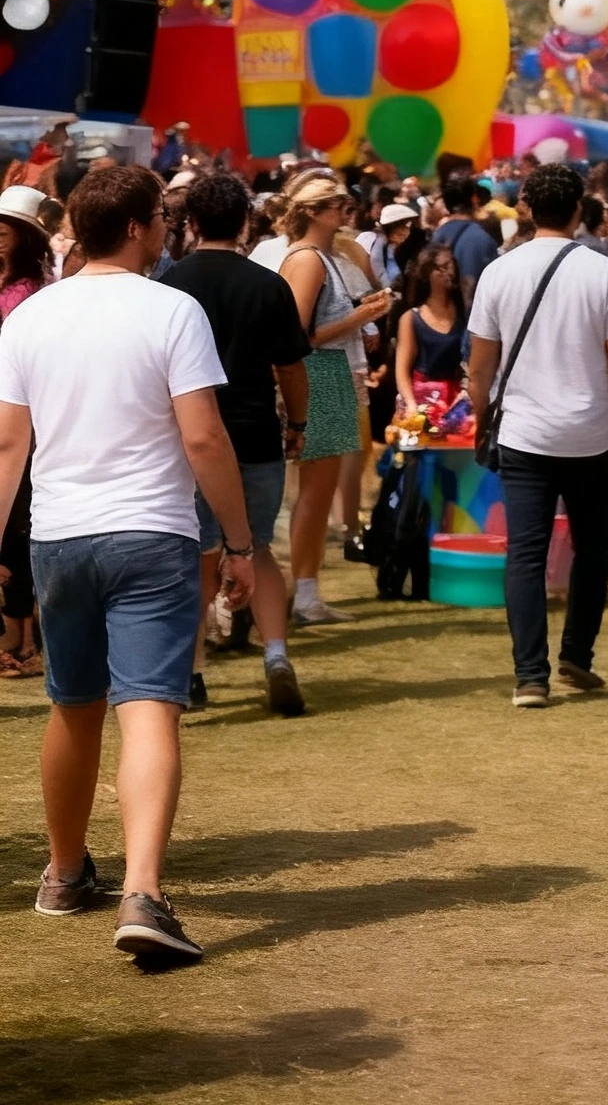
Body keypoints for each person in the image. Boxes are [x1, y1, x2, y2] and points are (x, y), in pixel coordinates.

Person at [0, 164, 255, 966]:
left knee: (73, 706)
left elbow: (10, 443)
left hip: (60, 535)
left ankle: (66, 870)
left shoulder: (31, 317)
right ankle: (143, 892)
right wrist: (242, 543)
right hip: (152, 532)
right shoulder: (172, 309)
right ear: (143, 225)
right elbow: (204, 437)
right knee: (148, 709)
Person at [466, 163, 608, 709]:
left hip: (523, 432)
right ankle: (577, 654)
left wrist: (481, 417)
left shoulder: (500, 272)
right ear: (579, 208)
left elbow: (479, 367)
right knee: (594, 547)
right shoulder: (605, 273)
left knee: (525, 553)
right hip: (588, 432)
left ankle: (530, 677)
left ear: (525, 207)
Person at [161, 172, 312, 717]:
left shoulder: (170, 285)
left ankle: (194, 672)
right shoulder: (268, 284)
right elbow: (290, 366)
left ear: (192, 223)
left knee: (199, 555)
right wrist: (297, 423)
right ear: (245, 222)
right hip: (255, 434)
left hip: (191, 439)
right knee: (259, 548)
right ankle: (275, 655)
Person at [275, 177, 391, 627]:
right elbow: (298, 336)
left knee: (317, 494)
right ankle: (305, 594)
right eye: (339, 203)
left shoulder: (321, 257)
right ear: (317, 211)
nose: (347, 209)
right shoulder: (309, 260)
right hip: (322, 374)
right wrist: (360, 316)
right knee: (315, 494)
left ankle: (307, 591)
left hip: (328, 375)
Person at [0, 185, 55, 679]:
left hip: (22, 419)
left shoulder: (32, 292)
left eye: (6, 233)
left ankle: (23, 640)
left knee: (19, 525)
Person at [393, 242, 468, 418]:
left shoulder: (464, 314)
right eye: (442, 267)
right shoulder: (411, 318)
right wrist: (411, 404)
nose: (449, 272)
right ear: (427, 274)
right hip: (424, 398)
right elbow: (402, 370)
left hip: (459, 398)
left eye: (451, 265)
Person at [429, 173, 499, 308]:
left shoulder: (437, 234)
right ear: (474, 199)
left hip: (442, 317)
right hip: (471, 321)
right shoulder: (481, 238)